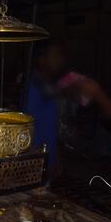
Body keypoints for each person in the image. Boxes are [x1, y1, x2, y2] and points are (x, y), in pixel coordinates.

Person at [24, 39, 69, 181]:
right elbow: (26, 131)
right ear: (41, 60)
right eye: (55, 55)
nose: (61, 59)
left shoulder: (49, 87)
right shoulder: (31, 87)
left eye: (61, 55)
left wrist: (57, 158)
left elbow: (51, 127)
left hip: (47, 162)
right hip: (33, 165)